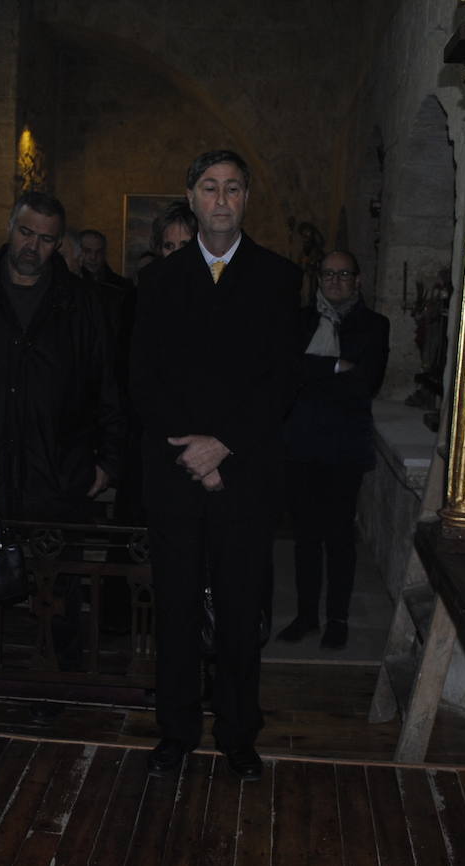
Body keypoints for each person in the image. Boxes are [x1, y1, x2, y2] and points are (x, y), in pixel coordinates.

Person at [131, 150, 301, 782]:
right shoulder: (159, 282)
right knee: (175, 609)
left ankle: (237, 734)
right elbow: (144, 383)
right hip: (176, 475)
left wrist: (223, 444)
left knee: (238, 609)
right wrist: (194, 455)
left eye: (233, 188)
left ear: (246, 198)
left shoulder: (279, 278)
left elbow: (281, 381)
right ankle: (175, 732)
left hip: (245, 475)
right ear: (191, 196)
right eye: (209, 187)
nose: (222, 199)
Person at [0, 190, 124, 523]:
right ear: (10, 227)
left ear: (57, 244)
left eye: (45, 239)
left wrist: (108, 461)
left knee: (60, 572)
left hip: (62, 475)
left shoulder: (82, 303)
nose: (32, 246)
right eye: (25, 233)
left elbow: (106, 382)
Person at [277, 250, 389, 649]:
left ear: (358, 280)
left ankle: (337, 618)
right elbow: (285, 373)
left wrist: (315, 371)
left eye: (344, 274)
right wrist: (336, 367)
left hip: (344, 446)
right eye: (328, 274)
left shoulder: (374, 326)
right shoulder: (300, 321)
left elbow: (365, 383)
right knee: (305, 537)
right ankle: (306, 615)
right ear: (318, 279)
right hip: (301, 444)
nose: (336, 281)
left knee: (339, 536)